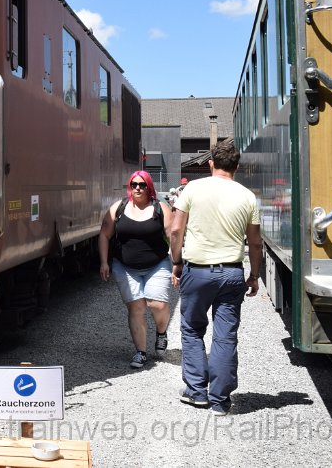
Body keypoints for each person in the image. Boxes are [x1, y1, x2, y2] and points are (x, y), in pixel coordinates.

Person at [169, 140, 262, 416]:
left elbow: (176, 230)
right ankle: (220, 401)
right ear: (237, 166)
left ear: (210, 163)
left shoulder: (193, 189)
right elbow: (255, 243)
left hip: (197, 271)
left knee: (192, 329)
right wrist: (254, 275)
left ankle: (197, 392)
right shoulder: (247, 196)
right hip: (232, 272)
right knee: (225, 336)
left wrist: (176, 262)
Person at [98, 170, 173, 369]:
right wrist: (104, 262)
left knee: (157, 304)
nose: (138, 188)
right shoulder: (119, 207)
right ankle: (140, 352)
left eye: (142, 185)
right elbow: (104, 234)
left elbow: (172, 236)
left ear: (149, 187)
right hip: (125, 266)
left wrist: (178, 263)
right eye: (134, 185)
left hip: (157, 264)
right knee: (136, 307)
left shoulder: (161, 208)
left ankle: (161, 332)